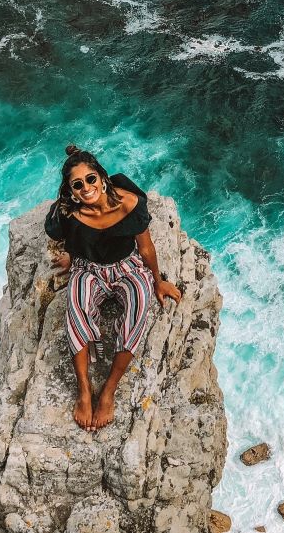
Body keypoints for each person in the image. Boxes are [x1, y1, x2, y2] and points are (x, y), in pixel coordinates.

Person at [44, 145, 183, 431]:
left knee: (139, 307)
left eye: (91, 179)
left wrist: (158, 281)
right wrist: (72, 255)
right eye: (77, 185)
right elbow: (62, 235)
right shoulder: (70, 214)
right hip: (88, 267)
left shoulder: (129, 203)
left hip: (127, 267)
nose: (86, 188)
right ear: (71, 190)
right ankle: (84, 389)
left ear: (102, 178)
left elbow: (145, 247)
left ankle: (108, 391)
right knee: (77, 305)